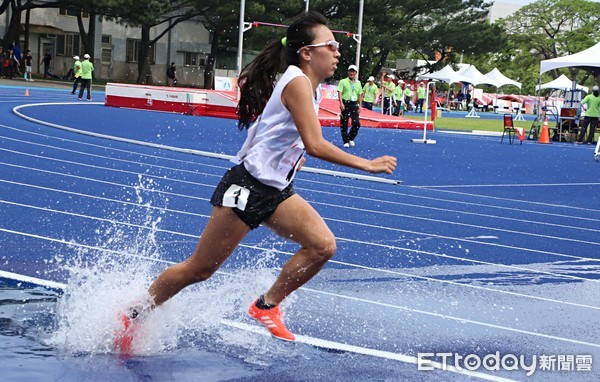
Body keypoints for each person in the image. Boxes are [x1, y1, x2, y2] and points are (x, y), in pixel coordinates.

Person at [113, 11, 396, 351]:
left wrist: (291, 160)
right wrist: (365, 164)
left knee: (322, 246)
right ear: (307, 52)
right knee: (199, 270)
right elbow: (315, 144)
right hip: (246, 187)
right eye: (331, 45)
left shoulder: (309, 87)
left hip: (274, 190)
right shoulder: (297, 82)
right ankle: (133, 313)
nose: (338, 52)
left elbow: (274, 132)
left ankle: (266, 306)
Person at [337, 64, 363, 147]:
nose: (351, 73)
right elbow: (340, 92)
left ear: (355, 73)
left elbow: (360, 94)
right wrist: (341, 103)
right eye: (350, 71)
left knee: (356, 123)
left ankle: (350, 137)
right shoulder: (343, 81)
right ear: (348, 72)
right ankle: (345, 141)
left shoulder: (358, 83)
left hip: (354, 103)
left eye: (353, 71)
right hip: (346, 102)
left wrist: (359, 105)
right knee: (344, 123)